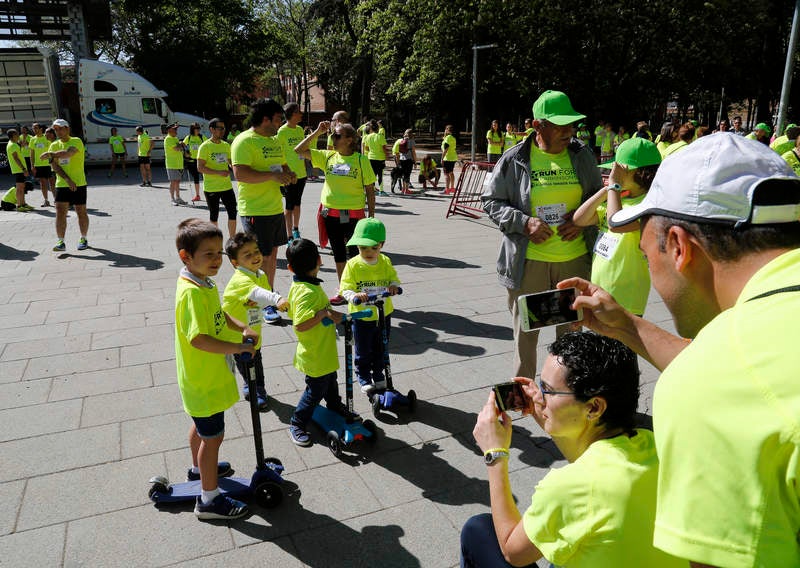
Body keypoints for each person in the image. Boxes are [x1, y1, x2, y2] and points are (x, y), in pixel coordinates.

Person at [560, 133, 800, 566]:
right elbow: (739, 369)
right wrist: (627, 326)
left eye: (646, 254)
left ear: (678, 246)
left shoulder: (704, 392)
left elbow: (720, 380)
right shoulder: (752, 344)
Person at [461, 331, 685, 568]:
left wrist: (495, 454)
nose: (539, 397)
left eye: (547, 390)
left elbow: (512, 552)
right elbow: (590, 460)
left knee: (477, 530)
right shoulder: (654, 444)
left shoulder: (569, 487)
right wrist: (544, 414)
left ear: (594, 407)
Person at [482, 90, 600, 379]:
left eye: (571, 125)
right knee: (526, 337)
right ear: (537, 126)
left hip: (573, 262)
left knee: (572, 338)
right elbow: (491, 201)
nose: (569, 131)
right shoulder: (514, 159)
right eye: (560, 125)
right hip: (529, 263)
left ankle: (566, 392)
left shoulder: (582, 155)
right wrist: (524, 223)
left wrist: (582, 221)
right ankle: (524, 392)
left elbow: (599, 199)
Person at [173, 219, 256, 520]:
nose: (216, 260)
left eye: (218, 253)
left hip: (204, 378)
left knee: (203, 429)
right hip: (203, 379)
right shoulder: (192, 293)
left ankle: (199, 470)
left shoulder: (203, 282)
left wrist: (242, 326)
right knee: (213, 438)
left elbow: (219, 314)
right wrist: (237, 347)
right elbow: (198, 338)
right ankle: (209, 500)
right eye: (208, 254)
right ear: (186, 256)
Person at [573, 138, 661, 316]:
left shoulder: (650, 205)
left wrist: (614, 186)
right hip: (600, 288)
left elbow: (615, 224)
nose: (613, 173)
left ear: (639, 172)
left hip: (626, 296)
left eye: (619, 169)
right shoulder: (619, 201)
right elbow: (579, 219)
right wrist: (606, 190)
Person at [294, 120, 376, 303]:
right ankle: (344, 290)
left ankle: (358, 289)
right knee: (338, 253)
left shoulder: (361, 160)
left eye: (337, 136)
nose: (333, 139)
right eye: (332, 135)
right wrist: (317, 132)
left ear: (349, 140)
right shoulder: (328, 156)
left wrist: (371, 216)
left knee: (355, 253)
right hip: (330, 213)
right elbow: (298, 150)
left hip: (354, 214)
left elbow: (370, 190)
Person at [285, 238, 352, 447]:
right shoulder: (307, 292)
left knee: (331, 381)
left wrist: (331, 314)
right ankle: (297, 423)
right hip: (315, 353)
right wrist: (323, 313)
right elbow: (300, 324)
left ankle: (334, 405)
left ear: (289, 268)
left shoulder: (301, 285)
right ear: (319, 261)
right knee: (315, 391)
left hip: (322, 349)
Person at [231, 98, 296, 296]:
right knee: (259, 258)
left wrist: (289, 174)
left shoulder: (274, 141)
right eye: (278, 119)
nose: (280, 123)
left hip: (275, 208)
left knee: (272, 255)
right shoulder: (244, 141)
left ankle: (269, 293)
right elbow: (240, 174)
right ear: (265, 119)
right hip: (255, 210)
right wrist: (272, 176)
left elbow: (283, 165)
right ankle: (259, 298)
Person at [222, 232, 288, 410]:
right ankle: (252, 387)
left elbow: (262, 298)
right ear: (235, 262)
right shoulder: (240, 279)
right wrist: (276, 299)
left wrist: (276, 305)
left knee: (256, 359)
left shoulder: (259, 274)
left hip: (253, 329)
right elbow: (257, 293)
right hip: (237, 333)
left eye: (256, 251)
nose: (255, 256)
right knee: (245, 361)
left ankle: (258, 387)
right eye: (247, 254)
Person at [338, 218, 401, 393]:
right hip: (362, 316)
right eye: (363, 248)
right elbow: (345, 288)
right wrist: (354, 296)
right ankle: (363, 375)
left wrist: (393, 286)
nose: (368, 252)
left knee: (382, 346)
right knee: (363, 348)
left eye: (374, 247)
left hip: (383, 313)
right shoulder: (353, 265)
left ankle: (379, 373)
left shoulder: (385, 261)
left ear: (381, 244)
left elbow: (394, 278)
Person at [41, 119, 89, 251]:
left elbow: (68, 153)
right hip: (62, 184)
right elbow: (55, 166)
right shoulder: (53, 145)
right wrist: (67, 179)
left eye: (60, 128)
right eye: (55, 129)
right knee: (60, 212)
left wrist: (51, 154)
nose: (58, 132)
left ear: (67, 129)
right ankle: (60, 242)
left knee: (81, 211)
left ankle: (83, 238)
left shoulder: (76, 141)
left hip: (79, 183)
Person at [197, 118, 236, 238]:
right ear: (212, 129)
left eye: (224, 128)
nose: (223, 131)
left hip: (227, 186)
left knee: (233, 213)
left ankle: (232, 240)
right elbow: (200, 168)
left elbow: (230, 162)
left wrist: (235, 168)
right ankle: (215, 241)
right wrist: (218, 172)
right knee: (214, 216)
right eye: (220, 128)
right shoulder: (205, 146)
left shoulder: (226, 145)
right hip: (211, 188)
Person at [278, 102, 309, 244]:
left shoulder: (300, 130)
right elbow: (279, 154)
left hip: (301, 174)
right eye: (298, 112)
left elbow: (302, 150)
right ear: (292, 114)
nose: (301, 114)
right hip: (289, 175)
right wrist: (284, 173)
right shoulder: (282, 132)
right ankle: (289, 235)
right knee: (289, 206)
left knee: (297, 204)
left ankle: (296, 229)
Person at [5, 129, 33, 212]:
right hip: (18, 170)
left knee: (22, 187)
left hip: (19, 169)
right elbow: (16, 158)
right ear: (12, 136)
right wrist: (23, 169)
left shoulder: (12, 144)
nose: (18, 136)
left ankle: (23, 204)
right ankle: (20, 205)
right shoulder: (13, 145)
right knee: (19, 188)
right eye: (17, 135)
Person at [362, 119, 390, 196]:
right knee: (380, 174)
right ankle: (381, 190)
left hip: (371, 157)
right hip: (380, 158)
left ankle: (372, 190)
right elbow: (384, 148)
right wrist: (387, 156)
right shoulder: (380, 136)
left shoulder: (368, 137)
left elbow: (366, 148)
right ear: (378, 128)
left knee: (372, 175)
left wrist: (372, 150)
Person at [30, 123, 54, 206]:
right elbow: (32, 153)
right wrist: (32, 165)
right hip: (38, 165)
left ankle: (56, 199)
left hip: (49, 164)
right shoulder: (32, 139)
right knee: (43, 184)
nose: (34, 130)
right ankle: (46, 200)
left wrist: (53, 162)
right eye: (33, 128)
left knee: (52, 182)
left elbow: (52, 150)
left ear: (41, 129)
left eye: (36, 128)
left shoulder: (46, 137)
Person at [165, 123, 187, 205]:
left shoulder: (175, 138)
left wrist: (181, 144)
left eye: (176, 129)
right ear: (169, 130)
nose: (176, 131)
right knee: (173, 182)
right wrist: (182, 145)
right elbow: (177, 148)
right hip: (172, 164)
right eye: (174, 129)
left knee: (177, 181)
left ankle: (178, 197)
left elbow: (180, 147)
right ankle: (172, 199)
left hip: (178, 163)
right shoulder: (168, 139)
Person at [183, 123, 206, 202]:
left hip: (201, 160)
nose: (198, 130)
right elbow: (183, 146)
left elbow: (208, 145)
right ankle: (197, 195)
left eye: (199, 128)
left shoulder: (202, 137)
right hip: (192, 161)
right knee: (196, 178)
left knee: (205, 178)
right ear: (192, 129)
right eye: (196, 128)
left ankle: (209, 194)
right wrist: (186, 153)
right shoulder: (189, 137)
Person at [397, 129, 418, 194]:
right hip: (408, 159)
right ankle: (406, 190)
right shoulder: (411, 140)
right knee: (407, 175)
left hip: (402, 159)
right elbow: (413, 152)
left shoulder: (402, 139)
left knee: (403, 174)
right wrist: (415, 162)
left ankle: (403, 189)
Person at [441, 124, 458, 192]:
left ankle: (447, 189)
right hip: (453, 157)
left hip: (447, 158)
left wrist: (442, 158)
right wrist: (445, 135)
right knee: (451, 172)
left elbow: (446, 149)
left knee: (446, 174)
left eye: (446, 129)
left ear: (447, 130)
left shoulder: (447, 138)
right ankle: (452, 188)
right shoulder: (453, 138)